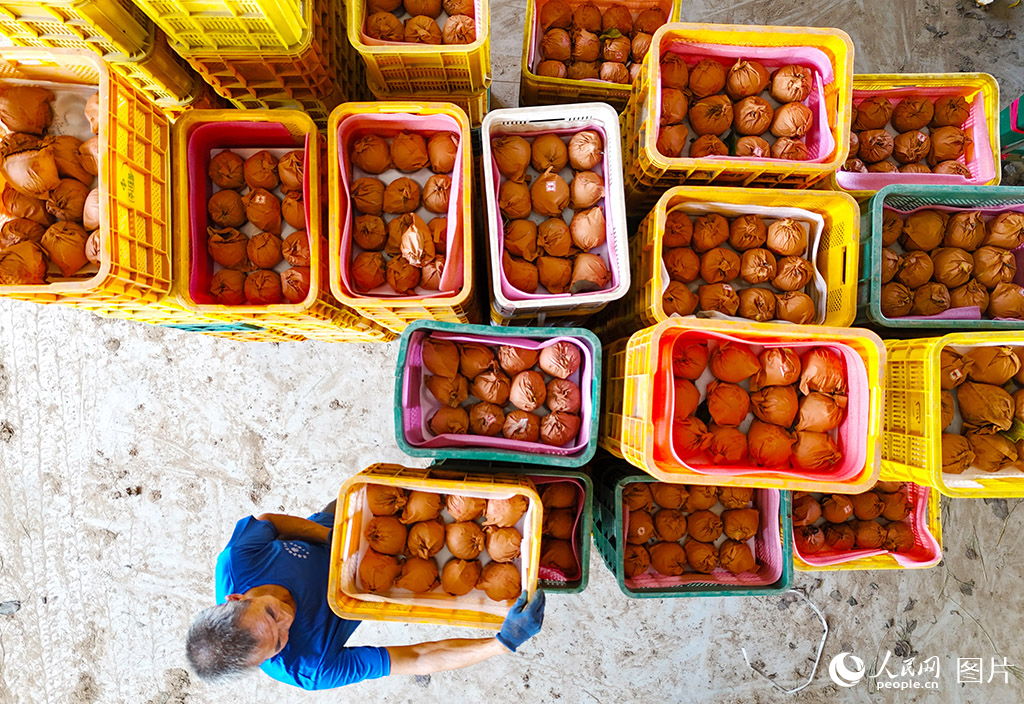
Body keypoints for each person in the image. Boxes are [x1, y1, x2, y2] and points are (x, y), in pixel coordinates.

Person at [185, 502, 545, 690]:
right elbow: (417, 658)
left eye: (271, 614)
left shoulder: (238, 562)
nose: (288, 620)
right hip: (381, 583)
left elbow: (269, 522)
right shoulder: (310, 667)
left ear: (234, 598)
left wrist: (340, 541)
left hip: (344, 529)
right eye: (280, 642)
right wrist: (501, 643)